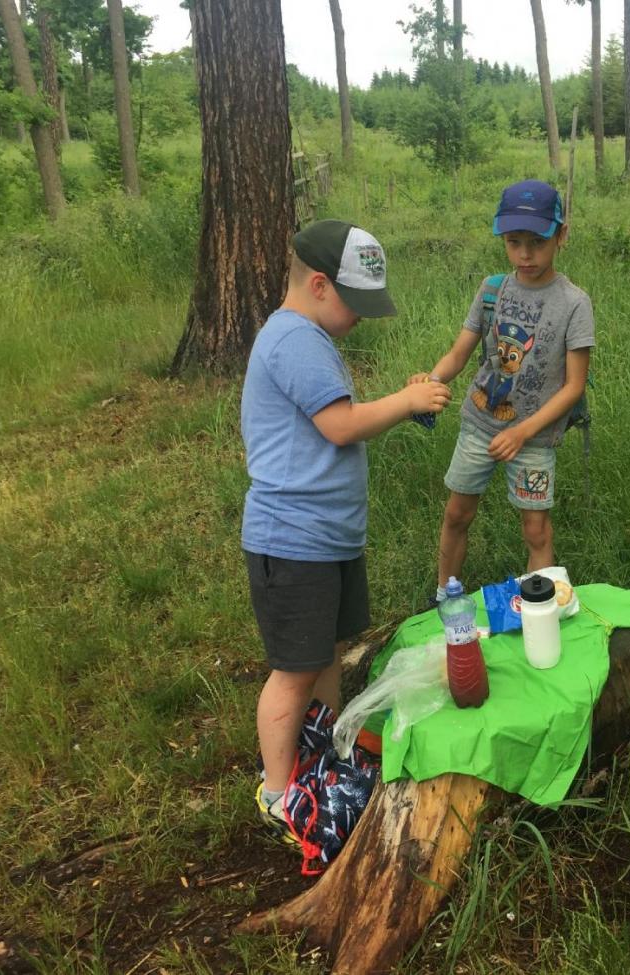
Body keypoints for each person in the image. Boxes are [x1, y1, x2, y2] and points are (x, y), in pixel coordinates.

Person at [242, 220, 451, 838]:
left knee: (326, 653)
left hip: (325, 536)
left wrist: (400, 398)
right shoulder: (293, 340)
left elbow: (341, 416)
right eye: (354, 305)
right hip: (292, 538)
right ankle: (279, 792)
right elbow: (340, 425)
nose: (360, 318)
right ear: (317, 284)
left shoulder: (306, 336)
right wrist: (407, 403)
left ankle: (327, 755)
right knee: (294, 667)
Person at [411, 180, 595, 602]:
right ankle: (446, 597)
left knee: (536, 528)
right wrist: (432, 381)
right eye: (514, 243)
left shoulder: (574, 303)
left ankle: (538, 609)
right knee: (458, 513)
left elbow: (573, 388)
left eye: (537, 242)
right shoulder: (493, 289)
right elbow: (460, 352)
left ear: (561, 235)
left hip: (534, 436)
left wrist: (522, 432)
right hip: (479, 424)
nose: (525, 255)